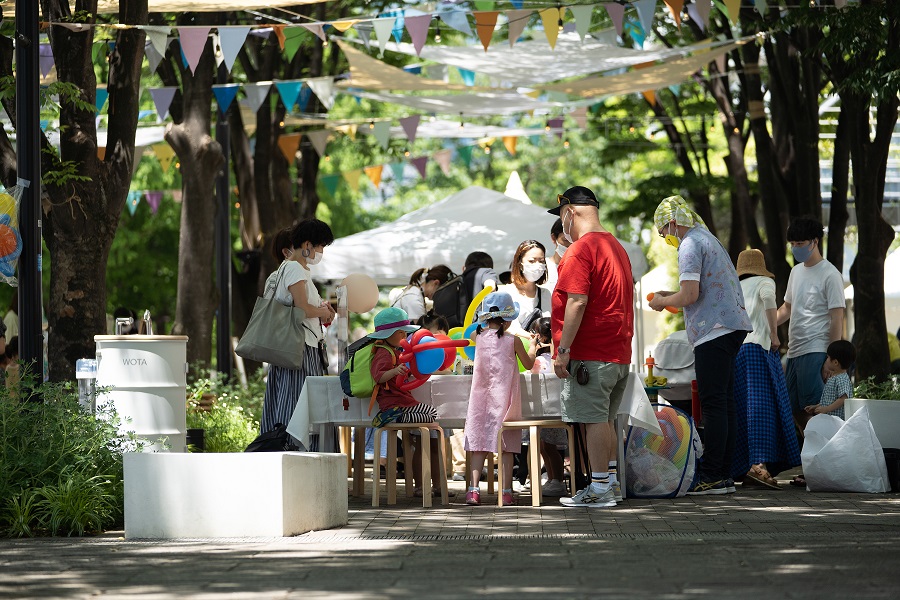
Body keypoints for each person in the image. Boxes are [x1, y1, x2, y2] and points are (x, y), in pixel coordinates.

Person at [649, 195, 751, 496]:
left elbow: (690, 296)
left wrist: (662, 302)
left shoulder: (689, 244)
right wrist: (671, 295)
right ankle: (725, 473)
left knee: (714, 403)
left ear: (671, 222)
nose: (664, 237)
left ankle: (712, 476)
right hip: (731, 325)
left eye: (662, 231)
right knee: (725, 402)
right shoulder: (707, 238)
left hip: (713, 329)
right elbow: (695, 289)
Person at [549, 186, 634, 507]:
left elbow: (577, 300)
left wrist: (563, 350)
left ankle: (599, 489)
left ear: (570, 212)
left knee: (593, 419)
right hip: (617, 352)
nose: (562, 224)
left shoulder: (581, 250)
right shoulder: (617, 248)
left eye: (561, 215)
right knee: (605, 418)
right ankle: (608, 483)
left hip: (590, 354)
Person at [260, 219, 336, 448]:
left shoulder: (285, 268)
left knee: (286, 403)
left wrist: (320, 310)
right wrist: (323, 312)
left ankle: (280, 449)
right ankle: (298, 452)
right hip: (301, 348)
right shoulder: (295, 268)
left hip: (291, 347)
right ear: (306, 244)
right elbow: (302, 309)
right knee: (300, 407)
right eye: (320, 245)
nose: (321, 251)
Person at [732, 249, 801, 489]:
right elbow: (771, 303)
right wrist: (774, 333)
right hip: (759, 350)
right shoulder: (765, 281)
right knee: (763, 408)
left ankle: (744, 466)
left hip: (738, 352)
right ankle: (759, 464)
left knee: (744, 407)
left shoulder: (734, 287)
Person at [464, 292, 537, 506]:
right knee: (507, 446)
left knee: (479, 444)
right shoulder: (512, 341)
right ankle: (505, 492)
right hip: (505, 400)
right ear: (508, 318)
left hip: (480, 401)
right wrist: (532, 345)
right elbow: (529, 364)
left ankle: (473, 490)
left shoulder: (477, 337)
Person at [776, 217, 845, 430]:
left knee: (815, 409)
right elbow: (787, 308)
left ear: (815, 241)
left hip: (817, 350)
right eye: (793, 244)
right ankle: (812, 452)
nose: (796, 249)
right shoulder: (796, 272)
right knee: (794, 408)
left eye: (800, 244)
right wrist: (764, 325)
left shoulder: (830, 274)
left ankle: (825, 457)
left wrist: (831, 359)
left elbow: (837, 317)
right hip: (794, 351)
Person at [367, 306, 443, 497]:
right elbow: (378, 377)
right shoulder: (383, 353)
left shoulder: (393, 351)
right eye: (401, 333)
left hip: (401, 404)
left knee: (431, 421)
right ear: (391, 334)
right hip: (395, 406)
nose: (403, 337)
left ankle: (423, 481)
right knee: (432, 416)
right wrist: (395, 371)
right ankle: (425, 482)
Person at [527, 316, 568, 497]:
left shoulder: (541, 360)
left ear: (540, 337)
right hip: (556, 409)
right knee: (548, 447)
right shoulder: (557, 358)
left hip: (545, 410)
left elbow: (531, 373)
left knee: (548, 447)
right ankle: (553, 480)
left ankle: (556, 480)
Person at [499, 240, 552, 338]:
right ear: (520, 264)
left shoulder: (545, 293)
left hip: (542, 350)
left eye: (541, 261)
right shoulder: (506, 293)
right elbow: (509, 327)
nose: (538, 265)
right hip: (515, 349)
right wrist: (533, 338)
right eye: (532, 261)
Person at [805, 340, 856, 420]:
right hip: (830, 419)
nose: (826, 360)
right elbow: (830, 399)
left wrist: (826, 409)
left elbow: (843, 399)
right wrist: (817, 406)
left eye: (828, 357)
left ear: (835, 362)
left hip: (836, 421)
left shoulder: (841, 378)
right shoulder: (834, 377)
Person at [389, 265, 454, 322]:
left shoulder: (414, 292)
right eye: (442, 291)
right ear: (436, 283)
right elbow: (421, 331)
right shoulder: (414, 299)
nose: (441, 296)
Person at [544, 218, 568, 289]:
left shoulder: (582, 268)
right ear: (553, 238)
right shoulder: (541, 268)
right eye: (566, 240)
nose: (571, 244)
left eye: (575, 240)